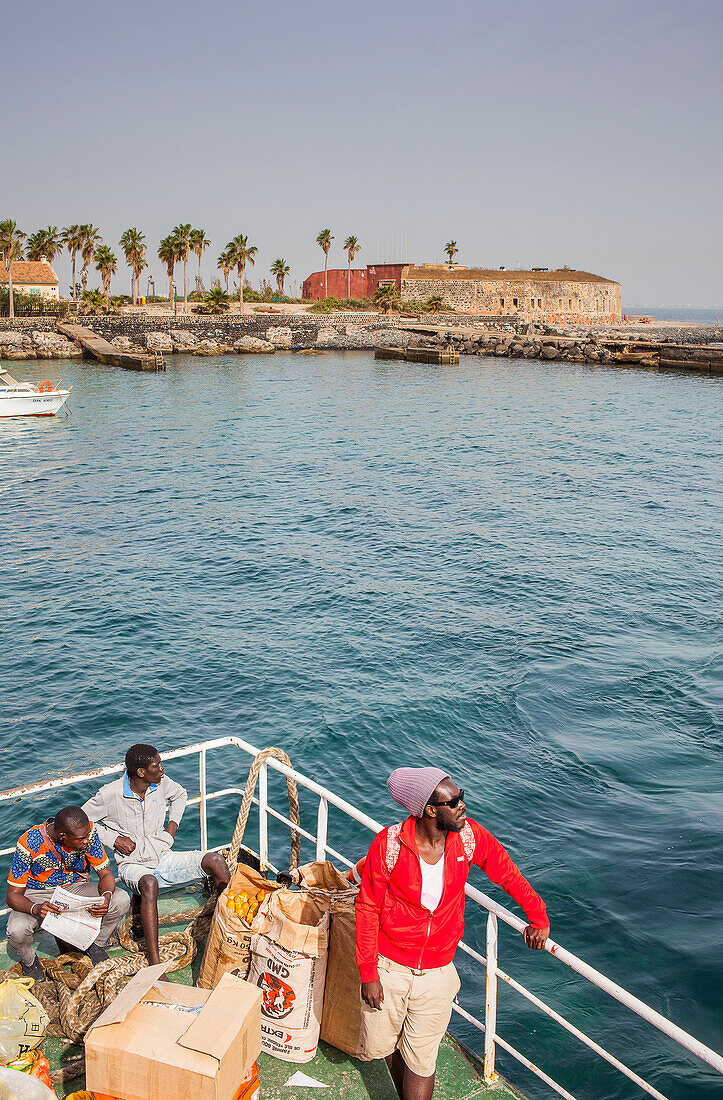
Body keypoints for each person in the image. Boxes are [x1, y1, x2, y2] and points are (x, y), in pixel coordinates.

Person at [356, 767, 551, 1100]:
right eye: (454, 801)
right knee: (384, 1047)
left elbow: (506, 872)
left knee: (423, 1061)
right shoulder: (389, 845)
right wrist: (368, 974)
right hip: (389, 966)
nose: (463, 806)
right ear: (430, 811)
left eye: (462, 797)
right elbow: (367, 906)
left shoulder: (469, 837)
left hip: (438, 971)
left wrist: (538, 915)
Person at [81, 743, 230, 965]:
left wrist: (172, 827)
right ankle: (155, 963)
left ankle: (229, 933)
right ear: (141, 772)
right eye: (157, 765)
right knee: (150, 883)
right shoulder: (109, 794)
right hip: (132, 866)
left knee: (216, 861)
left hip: (163, 857)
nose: (162, 769)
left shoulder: (161, 784)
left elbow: (180, 795)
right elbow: (82, 821)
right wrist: (114, 840)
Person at [6, 806, 130, 980]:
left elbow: (105, 874)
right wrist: (35, 908)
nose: (87, 840)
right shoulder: (29, 842)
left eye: (87, 835)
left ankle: (96, 945)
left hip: (74, 888)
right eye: (81, 839)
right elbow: (12, 895)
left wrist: (106, 896)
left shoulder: (87, 832)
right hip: (38, 894)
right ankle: (30, 963)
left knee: (121, 899)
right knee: (16, 929)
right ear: (63, 836)